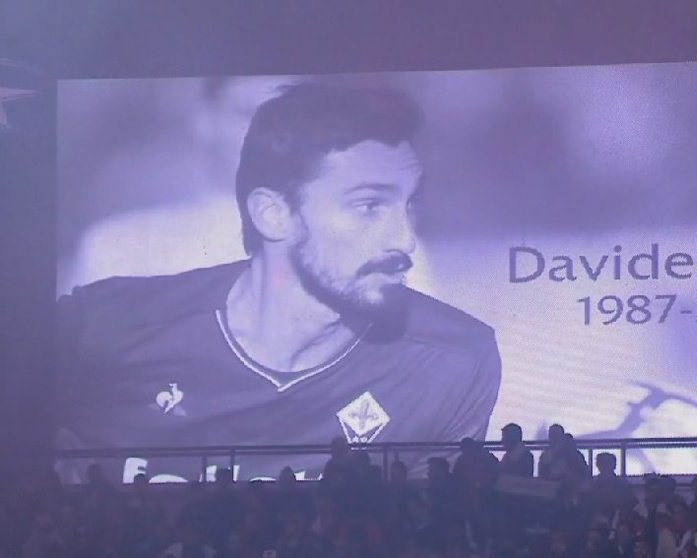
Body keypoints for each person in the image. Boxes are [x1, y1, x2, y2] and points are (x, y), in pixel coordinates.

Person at [55, 83, 503, 481]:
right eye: (369, 206)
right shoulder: (104, 330)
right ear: (274, 215)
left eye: (410, 204)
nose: (405, 239)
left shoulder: (452, 363)